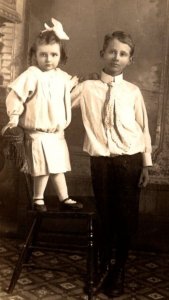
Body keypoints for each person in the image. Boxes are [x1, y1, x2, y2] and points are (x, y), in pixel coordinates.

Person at [71, 31, 152, 297]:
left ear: (130, 59)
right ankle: (102, 268)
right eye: (112, 51)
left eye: (123, 53)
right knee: (105, 217)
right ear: (102, 54)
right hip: (101, 163)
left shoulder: (132, 92)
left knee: (126, 219)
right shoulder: (87, 88)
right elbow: (57, 104)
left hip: (130, 161)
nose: (116, 57)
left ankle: (118, 272)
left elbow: (143, 128)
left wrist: (146, 164)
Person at [1, 18, 82, 212]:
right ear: (35, 55)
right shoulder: (32, 75)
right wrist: (13, 118)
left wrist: (77, 86)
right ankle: (38, 199)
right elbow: (15, 97)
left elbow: (66, 97)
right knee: (42, 167)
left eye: (53, 54)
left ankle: (64, 198)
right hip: (37, 133)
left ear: (60, 55)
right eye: (43, 55)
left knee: (58, 167)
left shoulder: (62, 77)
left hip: (56, 134)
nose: (48, 59)